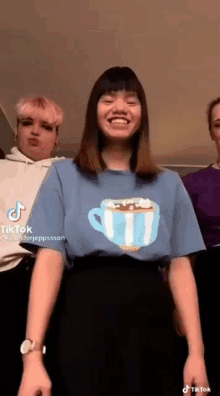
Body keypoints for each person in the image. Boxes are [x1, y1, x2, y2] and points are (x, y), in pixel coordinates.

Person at [18, 67, 208, 396]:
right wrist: (32, 357)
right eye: (108, 99)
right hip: (80, 314)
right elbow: (49, 261)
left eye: (131, 101)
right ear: (94, 111)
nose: (119, 107)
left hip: (151, 321)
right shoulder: (63, 175)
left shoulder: (169, 184)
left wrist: (196, 354)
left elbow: (180, 269)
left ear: (143, 114)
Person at [0, 96, 65, 396]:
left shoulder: (70, 175)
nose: (35, 132)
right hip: (6, 279)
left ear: (56, 136)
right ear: (16, 130)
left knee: (54, 369)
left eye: (46, 127)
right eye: (27, 123)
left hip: (57, 280)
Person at [182, 97, 220, 394]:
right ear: (211, 132)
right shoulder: (192, 184)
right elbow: (183, 253)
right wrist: (178, 309)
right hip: (210, 283)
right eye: (219, 124)